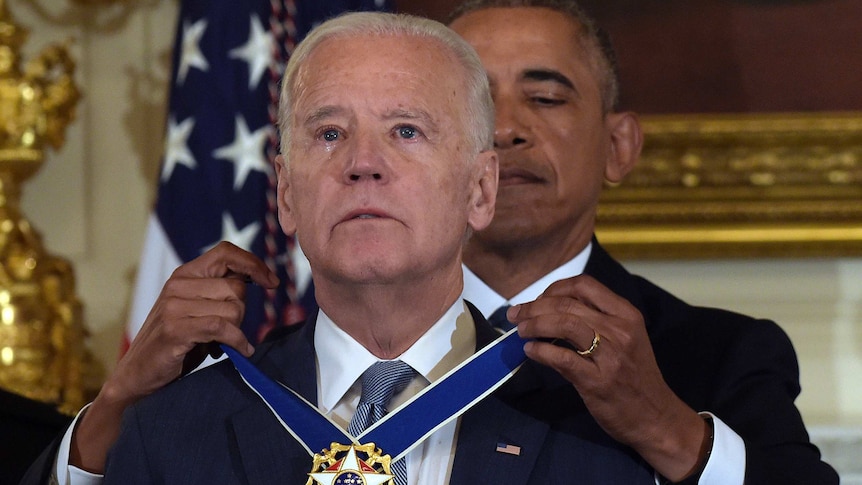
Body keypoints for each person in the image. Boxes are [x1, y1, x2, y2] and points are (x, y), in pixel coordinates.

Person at [22, 2, 838, 484]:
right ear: (285, 191)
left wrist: (668, 432)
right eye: (330, 132)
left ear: (474, 184)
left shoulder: (622, 429)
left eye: (408, 128)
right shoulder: (187, 422)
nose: (364, 164)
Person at [447, 1, 837, 484]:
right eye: (475, 105)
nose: (504, 130)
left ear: (618, 147)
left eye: (545, 98)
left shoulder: (722, 353)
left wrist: (664, 427)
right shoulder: (341, 334)